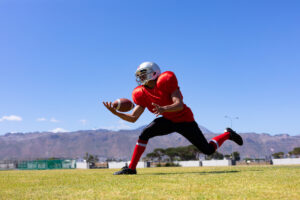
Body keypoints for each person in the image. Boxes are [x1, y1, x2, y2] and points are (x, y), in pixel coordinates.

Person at [103, 61, 243, 175]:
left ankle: (227, 134)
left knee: (207, 150)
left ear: (154, 73)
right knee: (144, 133)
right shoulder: (141, 92)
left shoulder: (165, 80)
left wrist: (164, 109)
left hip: (184, 120)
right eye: (139, 75)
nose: (140, 78)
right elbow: (133, 118)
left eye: (143, 74)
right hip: (168, 120)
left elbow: (179, 105)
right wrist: (116, 113)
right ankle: (131, 168)